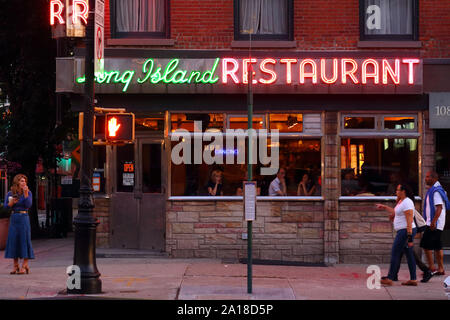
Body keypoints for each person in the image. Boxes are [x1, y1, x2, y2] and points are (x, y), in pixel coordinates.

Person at [376, 183, 417, 286]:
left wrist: (409, 237)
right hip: (404, 231)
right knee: (409, 255)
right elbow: (395, 212)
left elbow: (409, 220)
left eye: (398, 190)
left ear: (403, 191)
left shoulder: (407, 202)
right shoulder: (401, 201)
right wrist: (384, 207)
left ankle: (390, 278)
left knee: (395, 252)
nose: (396, 192)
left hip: (405, 231)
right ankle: (413, 279)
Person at [420, 171, 450, 276]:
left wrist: (433, 222)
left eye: (428, 177)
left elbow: (439, 208)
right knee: (437, 246)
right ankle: (440, 269)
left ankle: (432, 268)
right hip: (433, 223)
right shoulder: (433, 190)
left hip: (434, 224)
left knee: (425, 244)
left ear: (434, 178)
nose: (425, 179)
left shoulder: (436, 192)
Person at [4, 174, 34, 274]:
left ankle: (24, 265)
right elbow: (6, 207)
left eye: (25, 181)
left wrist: (25, 194)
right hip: (14, 218)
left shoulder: (28, 192)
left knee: (24, 240)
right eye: (21, 181)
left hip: (24, 218)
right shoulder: (10, 193)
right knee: (14, 241)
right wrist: (11, 203)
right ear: (17, 182)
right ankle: (15, 265)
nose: (24, 183)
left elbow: (28, 205)